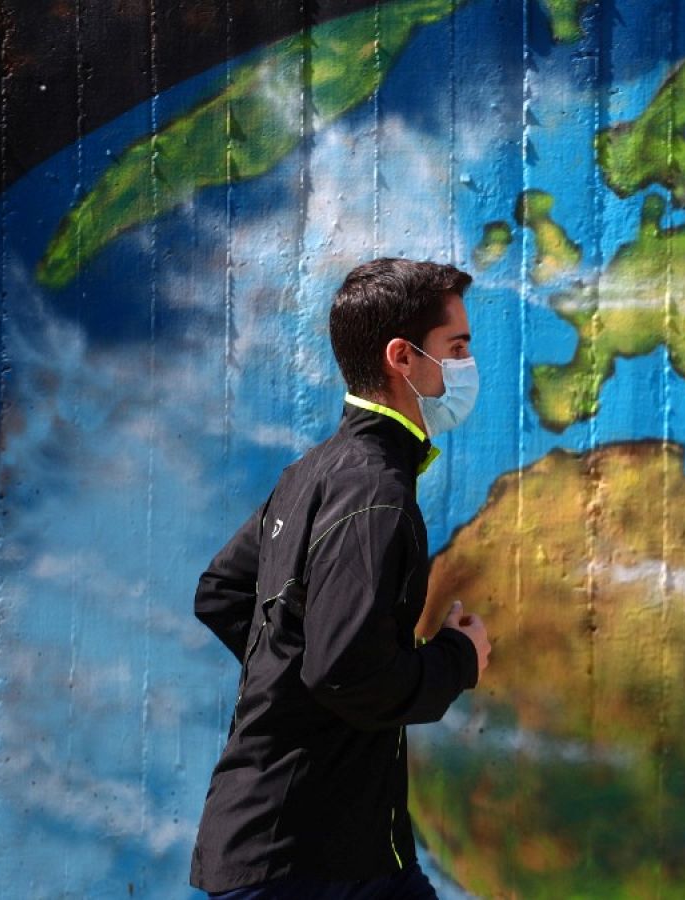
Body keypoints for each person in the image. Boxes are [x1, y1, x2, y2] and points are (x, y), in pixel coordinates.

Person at [190, 258, 493, 898]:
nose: (467, 365)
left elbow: (222, 593)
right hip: (309, 862)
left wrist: (294, 669)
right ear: (401, 359)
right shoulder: (375, 492)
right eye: (457, 347)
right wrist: (458, 658)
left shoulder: (314, 473)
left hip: (324, 849)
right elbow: (345, 669)